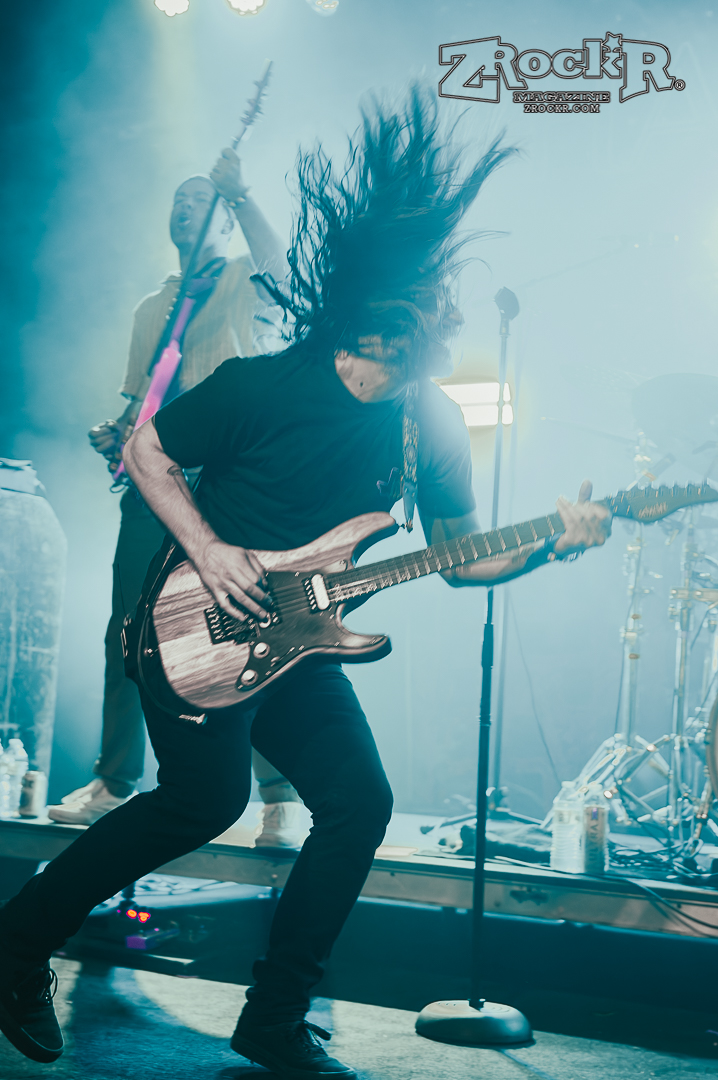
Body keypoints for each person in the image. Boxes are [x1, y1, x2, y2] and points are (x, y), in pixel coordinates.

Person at [0, 88, 611, 1077]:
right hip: (197, 621)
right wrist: (211, 550)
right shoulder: (265, 384)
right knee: (202, 802)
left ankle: (274, 1018)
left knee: (359, 802)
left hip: (301, 642)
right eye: (429, 299)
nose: (444, 313)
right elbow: (147, 450)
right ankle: (18, 942)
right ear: (383, 314)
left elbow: (465, 559)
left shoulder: (430, 422)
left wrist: (554, 542)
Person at [46, 148, 305, 848]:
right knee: (127, 632)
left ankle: (279, 797)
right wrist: (117, 430)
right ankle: (113, 780)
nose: (185, 207)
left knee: (250, 625)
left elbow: (286, 273)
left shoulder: (246, 277)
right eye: (177, 200)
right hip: (158, 483)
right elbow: (144, 401)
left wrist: (241, 195)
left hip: (230, 479)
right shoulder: (152, 308)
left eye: (199, 199)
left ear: (222, 218)